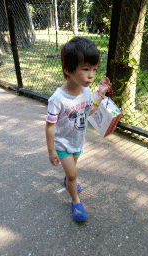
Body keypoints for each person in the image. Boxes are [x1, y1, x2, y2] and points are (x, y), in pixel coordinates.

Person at [45, 36, 111, 221]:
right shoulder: (57, 99)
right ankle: (75, 200)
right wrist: (51, 151)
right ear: (68, 70)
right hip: (62, 144)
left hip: (77, 141)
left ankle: (68, 179)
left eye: (94, 69)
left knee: (72, 168)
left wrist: (100, 94)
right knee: (73, 174)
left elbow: (88, 111)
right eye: (85, 69)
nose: (91, 75)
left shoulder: (87, 90)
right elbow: (50, 126)